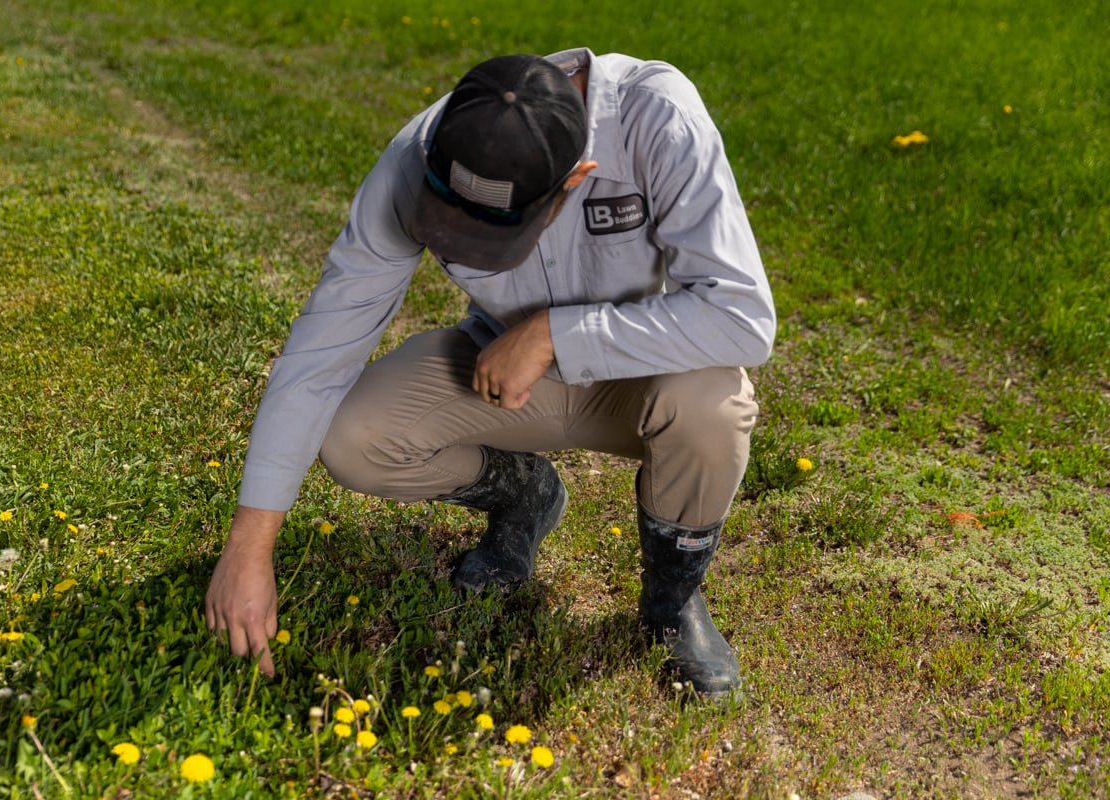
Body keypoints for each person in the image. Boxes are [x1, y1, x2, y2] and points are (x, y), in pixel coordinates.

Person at [205, 48, 776, 702]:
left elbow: (743, 317)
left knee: (711, 403)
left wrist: (555, 334)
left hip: (648, 380)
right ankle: (522, 496)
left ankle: (673, 604)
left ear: (577, 179)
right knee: (354, 435)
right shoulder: (416, 157)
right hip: (502, 379)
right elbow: (320, 351)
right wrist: (249, 548)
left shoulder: (660, 117)